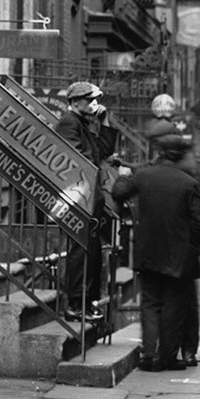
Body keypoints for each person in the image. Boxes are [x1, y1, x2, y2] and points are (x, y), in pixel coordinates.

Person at [112, 135, 200, 371]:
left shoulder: (144, 176)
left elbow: (118, 192)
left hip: (148, 251)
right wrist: (194, 245)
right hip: (178, 255)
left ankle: (148, 356)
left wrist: (124, 176)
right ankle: (168, 357)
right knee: (172, 305)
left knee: (149, 302)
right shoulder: (189, 183)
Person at [55, 81, 119, 322]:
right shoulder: (68, 123)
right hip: (80, 197)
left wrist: (103, 122)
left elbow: (102, 151)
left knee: (90, 254)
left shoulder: (82, 123)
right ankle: (75, 303)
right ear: (74, 102)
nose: (95, 104)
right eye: (89, 100)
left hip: (90, 198)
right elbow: (77, 159)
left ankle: (86, 302)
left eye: (95, 99)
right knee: (81, 252)